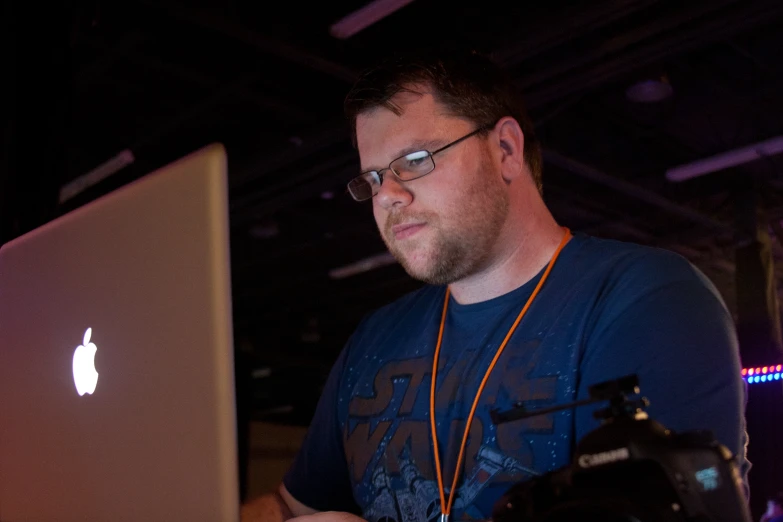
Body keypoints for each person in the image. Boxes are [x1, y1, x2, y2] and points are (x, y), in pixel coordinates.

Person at [241, 48, 749, 522]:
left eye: (414, 161)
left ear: (505, 149)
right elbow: (288, 506)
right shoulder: (373, 340)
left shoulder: (647, 301)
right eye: (372, 179)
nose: (387, 196)